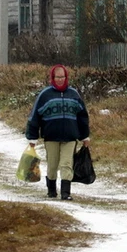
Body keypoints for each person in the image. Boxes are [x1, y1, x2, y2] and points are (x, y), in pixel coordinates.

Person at [25, 64, 90, 200]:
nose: (60, 79)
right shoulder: (45, 95)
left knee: (67, 164)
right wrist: (32, 137)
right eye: (57, 77)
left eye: (62, 77)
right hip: (51, 136)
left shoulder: (74, 94)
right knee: (53, 165)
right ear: (53, 78)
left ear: (66, 77)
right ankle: (52, 191)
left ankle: (66, 193)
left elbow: (82, 117)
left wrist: (85, 136)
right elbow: (34, 117)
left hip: (71, 137)